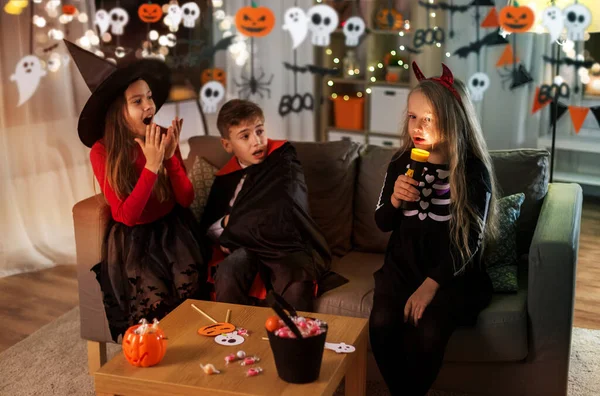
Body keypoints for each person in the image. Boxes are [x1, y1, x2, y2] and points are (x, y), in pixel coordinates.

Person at [64, 40, 208, 342]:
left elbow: (185, 199)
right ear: (119, 111)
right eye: (137, 101)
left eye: (150, 98)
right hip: (134, 241)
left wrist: (170, 158)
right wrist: (151, 167)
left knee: (190, 297)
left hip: (173, 232)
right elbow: (126, 215)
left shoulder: (162, 136)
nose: (149, 107)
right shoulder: (103, 152)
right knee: (153, 306)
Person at [370, 62, 498, 395]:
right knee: (382, 322)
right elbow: (383, 222)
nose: (418, 125)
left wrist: (431, 286)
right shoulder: (402, 162)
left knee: (428, 332)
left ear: (453, 120)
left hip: (452, 273)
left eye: (429, 118)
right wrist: (395, 200)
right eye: (413, 116)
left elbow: (471, 242)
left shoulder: (472, 171)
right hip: (402, 267)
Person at [199, 99, 342, 311]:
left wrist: (233, 224)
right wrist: (228, 223)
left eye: (259, 131)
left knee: (296, 278)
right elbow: (209, 229)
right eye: (245, 136)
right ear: (227, 145)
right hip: (245, 248)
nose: (256, 141)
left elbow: (283, 208)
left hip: (284, 245)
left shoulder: (282, 159)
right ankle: (233, 335)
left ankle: (292, 339)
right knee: (229, 270)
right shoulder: (225, 179)